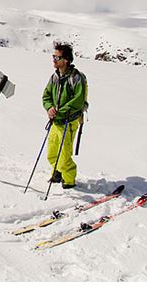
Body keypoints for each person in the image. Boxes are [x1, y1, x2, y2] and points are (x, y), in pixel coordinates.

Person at [42, 42, 87, 190]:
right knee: (52, 152)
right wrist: (49, 108)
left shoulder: (76, 78)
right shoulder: (55, 77)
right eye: (53, 56)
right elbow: (46, 95)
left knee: (64, 154)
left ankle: (69, 180)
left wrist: (59, 110)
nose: (54, 59)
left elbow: (78, 100)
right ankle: (58, 173)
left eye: (57, 57)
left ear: (66, 59)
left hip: (69, 120)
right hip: (56, 120)